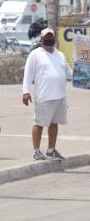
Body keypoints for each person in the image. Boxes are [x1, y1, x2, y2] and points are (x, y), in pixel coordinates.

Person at [22, 28, 72, 160]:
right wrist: (25, 92)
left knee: (54, 123)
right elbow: (28, 74)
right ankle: (36, 151)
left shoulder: (60, 55)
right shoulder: (35, 54)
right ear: (41, 39)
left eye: (51, 37)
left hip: (60, 96)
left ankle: (51, 149)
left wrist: (84, 75)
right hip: (44, 96)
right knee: (39, 123)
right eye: (46, 37)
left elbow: (69, 73)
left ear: (55, 39)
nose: (49, 39)